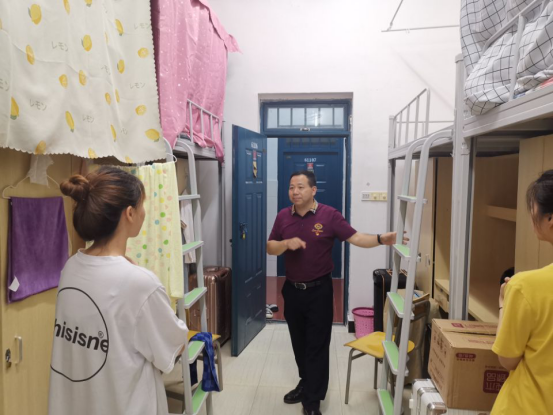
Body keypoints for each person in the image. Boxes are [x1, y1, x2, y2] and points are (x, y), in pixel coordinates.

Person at [48, 167, 188, 415]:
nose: (144, 212)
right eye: (142, 205)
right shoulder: (140, 284)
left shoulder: (71, 267)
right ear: (130, 213)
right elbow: (175, 346)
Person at [267, 170, 399, 415]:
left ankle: (312, 401)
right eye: (291, 187)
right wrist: (285, 244)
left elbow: (356, 237)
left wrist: (381, 239)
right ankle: (306, 383)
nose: (295, 192)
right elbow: (270, 247)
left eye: (300, 187)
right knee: (299, 343)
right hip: (292, 291)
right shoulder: (283, 216)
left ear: (313, 190)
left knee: (317, 346)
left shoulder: (330, 215)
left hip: (319, 291)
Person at [492, 170, 553, 414]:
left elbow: (508, 360)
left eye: (532, 208)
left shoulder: (524, 287)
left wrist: (503, 303)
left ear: (550, 219)